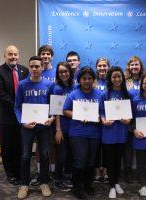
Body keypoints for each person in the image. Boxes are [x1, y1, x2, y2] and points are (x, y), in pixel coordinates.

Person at [15, 56, 55, 199]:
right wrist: (22, 122)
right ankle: (24, 184)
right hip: (27, 126)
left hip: (43, 126)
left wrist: (52, 118)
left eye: (37, 66)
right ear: (29, 66)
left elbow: (54, 106)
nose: (34, 69)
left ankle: (44, 182)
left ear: (42, 67)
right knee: (25, 156)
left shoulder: (49, 85)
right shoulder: (22, 85)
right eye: (32, 66)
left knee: (44, 155)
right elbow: (17, 107)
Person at [0, 45, 29, 186]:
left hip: (22, 116)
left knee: (20, 146)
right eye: (10, 54)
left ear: (18, 55)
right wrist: (18, 106)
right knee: (7, 147)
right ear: (5, 55)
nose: (13, 57)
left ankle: (20, 172)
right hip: (5, 117)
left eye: (15, 54)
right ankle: (11, 174)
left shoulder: (24, 70)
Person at [63, 67, 102, 199]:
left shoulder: (99, 95)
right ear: (79, 80)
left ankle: (87, 184)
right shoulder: (73, 94)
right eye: (84, 78)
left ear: (93, 80)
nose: (87, 81)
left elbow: (103, 112)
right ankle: (77, 187)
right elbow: (65, 110)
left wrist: (99, 117)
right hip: (77, 133)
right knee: (80, 160)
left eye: (89, 78)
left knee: (91, 161)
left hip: (94, 133)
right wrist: (78, 115)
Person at [100, 67, 131, 199]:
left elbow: (130, 114)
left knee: (118, 160)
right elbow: (101, 111)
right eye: (114, 77)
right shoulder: (105, 94)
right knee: (110, 161)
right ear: (110, 78)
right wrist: (103, 120)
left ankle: (116, 182)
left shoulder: (127, 94)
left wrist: (128, 120)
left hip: (122, 132)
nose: (117, 79)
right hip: (108, 131)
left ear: (122, 78)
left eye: (119, 76)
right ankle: (112, 186)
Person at [30, 45, 57, 186]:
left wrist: (53, 116)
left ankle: (51, 171)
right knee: (39, 145)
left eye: (48, 54)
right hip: (36, 116)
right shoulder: (34, 73)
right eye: (43, 54)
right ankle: (40, 171)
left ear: (51, 56)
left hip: (52, 116)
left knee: (51, 145)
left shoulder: (56, 72)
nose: (45, 56)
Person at [52, 62, 75, 192]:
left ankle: (66, 177)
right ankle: (57, 180)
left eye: (65, 71)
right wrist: (58, 130)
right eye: (61, 72)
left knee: (70, 155)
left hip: (73, 127)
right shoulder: (57, 88)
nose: (64, 74)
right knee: (62, 154)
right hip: (62, 127)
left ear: (70, 72)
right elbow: (56, 111)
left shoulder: (75, 87)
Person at [123, 55, 145, 183]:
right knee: (129, 148)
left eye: (136, 64)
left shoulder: (145, 79)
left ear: (140, 66)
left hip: (143, 116)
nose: (134, 67)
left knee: (143, 144)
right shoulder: (126, 81)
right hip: (129, 118)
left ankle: (143, 172)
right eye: (132, 65)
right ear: (129, 67)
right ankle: (127, 171)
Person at [94, 57, 110, 183]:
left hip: (108, 120)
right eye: (100, 66)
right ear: (96, 67)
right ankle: (96, 172)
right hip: (93, 120)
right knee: (95, 147)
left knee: (106, 148)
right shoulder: (92, 82)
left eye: (104, 65)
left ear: (108, 67)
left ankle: (105, 171)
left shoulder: (112, 82)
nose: (102, 68)